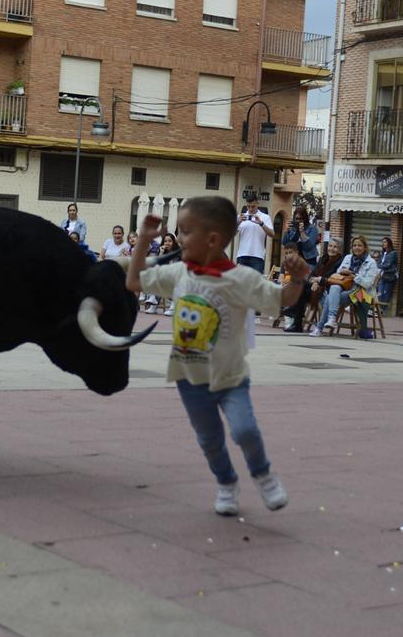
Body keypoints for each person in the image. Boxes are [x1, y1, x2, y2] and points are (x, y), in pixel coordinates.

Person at [126, 197, 305, 516]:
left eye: (185, 231)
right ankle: (226, 482)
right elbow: (134, 281)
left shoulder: (241, 279)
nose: (179, 239)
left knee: (244, 430)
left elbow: (281, 300)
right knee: (209, 440)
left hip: (230, 377)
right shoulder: (180, 273)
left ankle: (263, 474)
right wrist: (142, 241)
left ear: (211, 239)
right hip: (189, 379)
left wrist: (299, 280)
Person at [311, 234, 378, 338]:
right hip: (344, 288)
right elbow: (338, 273)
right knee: (334, 287)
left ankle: (321, 327)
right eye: (354, 245)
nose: (357, 247)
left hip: (361, 293)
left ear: (365, 247)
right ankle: (331, 318)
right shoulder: (348, 257)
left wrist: (353, 275)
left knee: (329, 298)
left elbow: (367, 284)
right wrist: (342, 271)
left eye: (359, 245)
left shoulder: (371, 263)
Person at [285, 238, 345, 333]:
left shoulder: (341, 262)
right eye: (330, 246)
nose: (331, 249)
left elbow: (332, 278)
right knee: (302, 288)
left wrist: (318, 282)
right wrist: (314, 282)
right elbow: (312, 275)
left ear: (340, 250)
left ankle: (295, 318)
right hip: (315, 289)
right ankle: (296, 321)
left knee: (302, 288)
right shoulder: (323, 259)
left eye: (335, 247)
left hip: (328, 291)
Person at [235, 194, 273, 274]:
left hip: (257, 256)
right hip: (242, 255)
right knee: (241, 283)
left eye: (253, 206)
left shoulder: (265, 217)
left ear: (257, 204)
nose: (250, 209)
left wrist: (261, 224)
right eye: (248, 206)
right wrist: (238, 223)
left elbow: (272, 234)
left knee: (255, 284)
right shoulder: (241, 217)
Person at [377, 237, 398, 305]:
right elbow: (379, 263)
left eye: (385, 242)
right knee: (379, 293)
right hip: (382, 276)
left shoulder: (393, 253)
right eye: (382, 242)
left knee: (386, 294)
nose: (383, 243)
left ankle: (382, 311)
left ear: (389, 243)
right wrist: (379, 266)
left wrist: (379, 266)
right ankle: (379, 310)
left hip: (390, 277)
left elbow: (387, 265)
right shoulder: (383, 253)